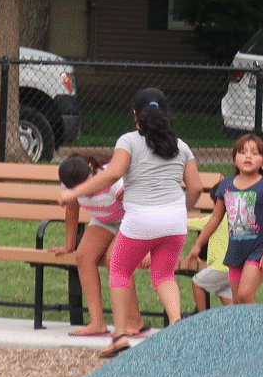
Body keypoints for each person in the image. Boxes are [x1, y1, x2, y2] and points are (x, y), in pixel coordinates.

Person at [59, 88, 202, 358]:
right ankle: (175, 324)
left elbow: (112, 174)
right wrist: (179, 210)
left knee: (119, 269)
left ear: (135, 115)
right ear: (165, 113)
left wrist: (73, 193)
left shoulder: (129, 141)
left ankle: (120, 335)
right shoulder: (180, 146)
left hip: (140, 220)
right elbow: (196, 187)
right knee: (163, 276)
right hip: (174, 223)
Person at [50, 154, 149, 338]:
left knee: (116, 258)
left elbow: (138, 209)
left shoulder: (112, 181)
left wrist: (145, 246)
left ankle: (135, 321)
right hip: (105, 221)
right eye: (77, 189)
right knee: (83, 256)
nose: (84, 192)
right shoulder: (68, 185)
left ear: (91, 168)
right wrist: (69, 246)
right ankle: (97, 323)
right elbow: (72, 211)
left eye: (85, 184)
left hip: (130, 220)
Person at [186, 134, 263, 305]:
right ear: (235, 160)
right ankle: (246, 331)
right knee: (237, 302)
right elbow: (215, 218)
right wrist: (198, 245)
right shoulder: (226, 185)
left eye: (255, 153)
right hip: (236, 251)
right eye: (243, 152)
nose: (248, 156)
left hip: (258, 251)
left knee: (245, 295)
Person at [186, 181, 233, 310]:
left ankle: (202, 318)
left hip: (221, 267)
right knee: (226, 297)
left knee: (197, 282)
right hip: (234, 267)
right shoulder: (236, 219)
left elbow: (189, 224)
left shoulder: (213, 220)